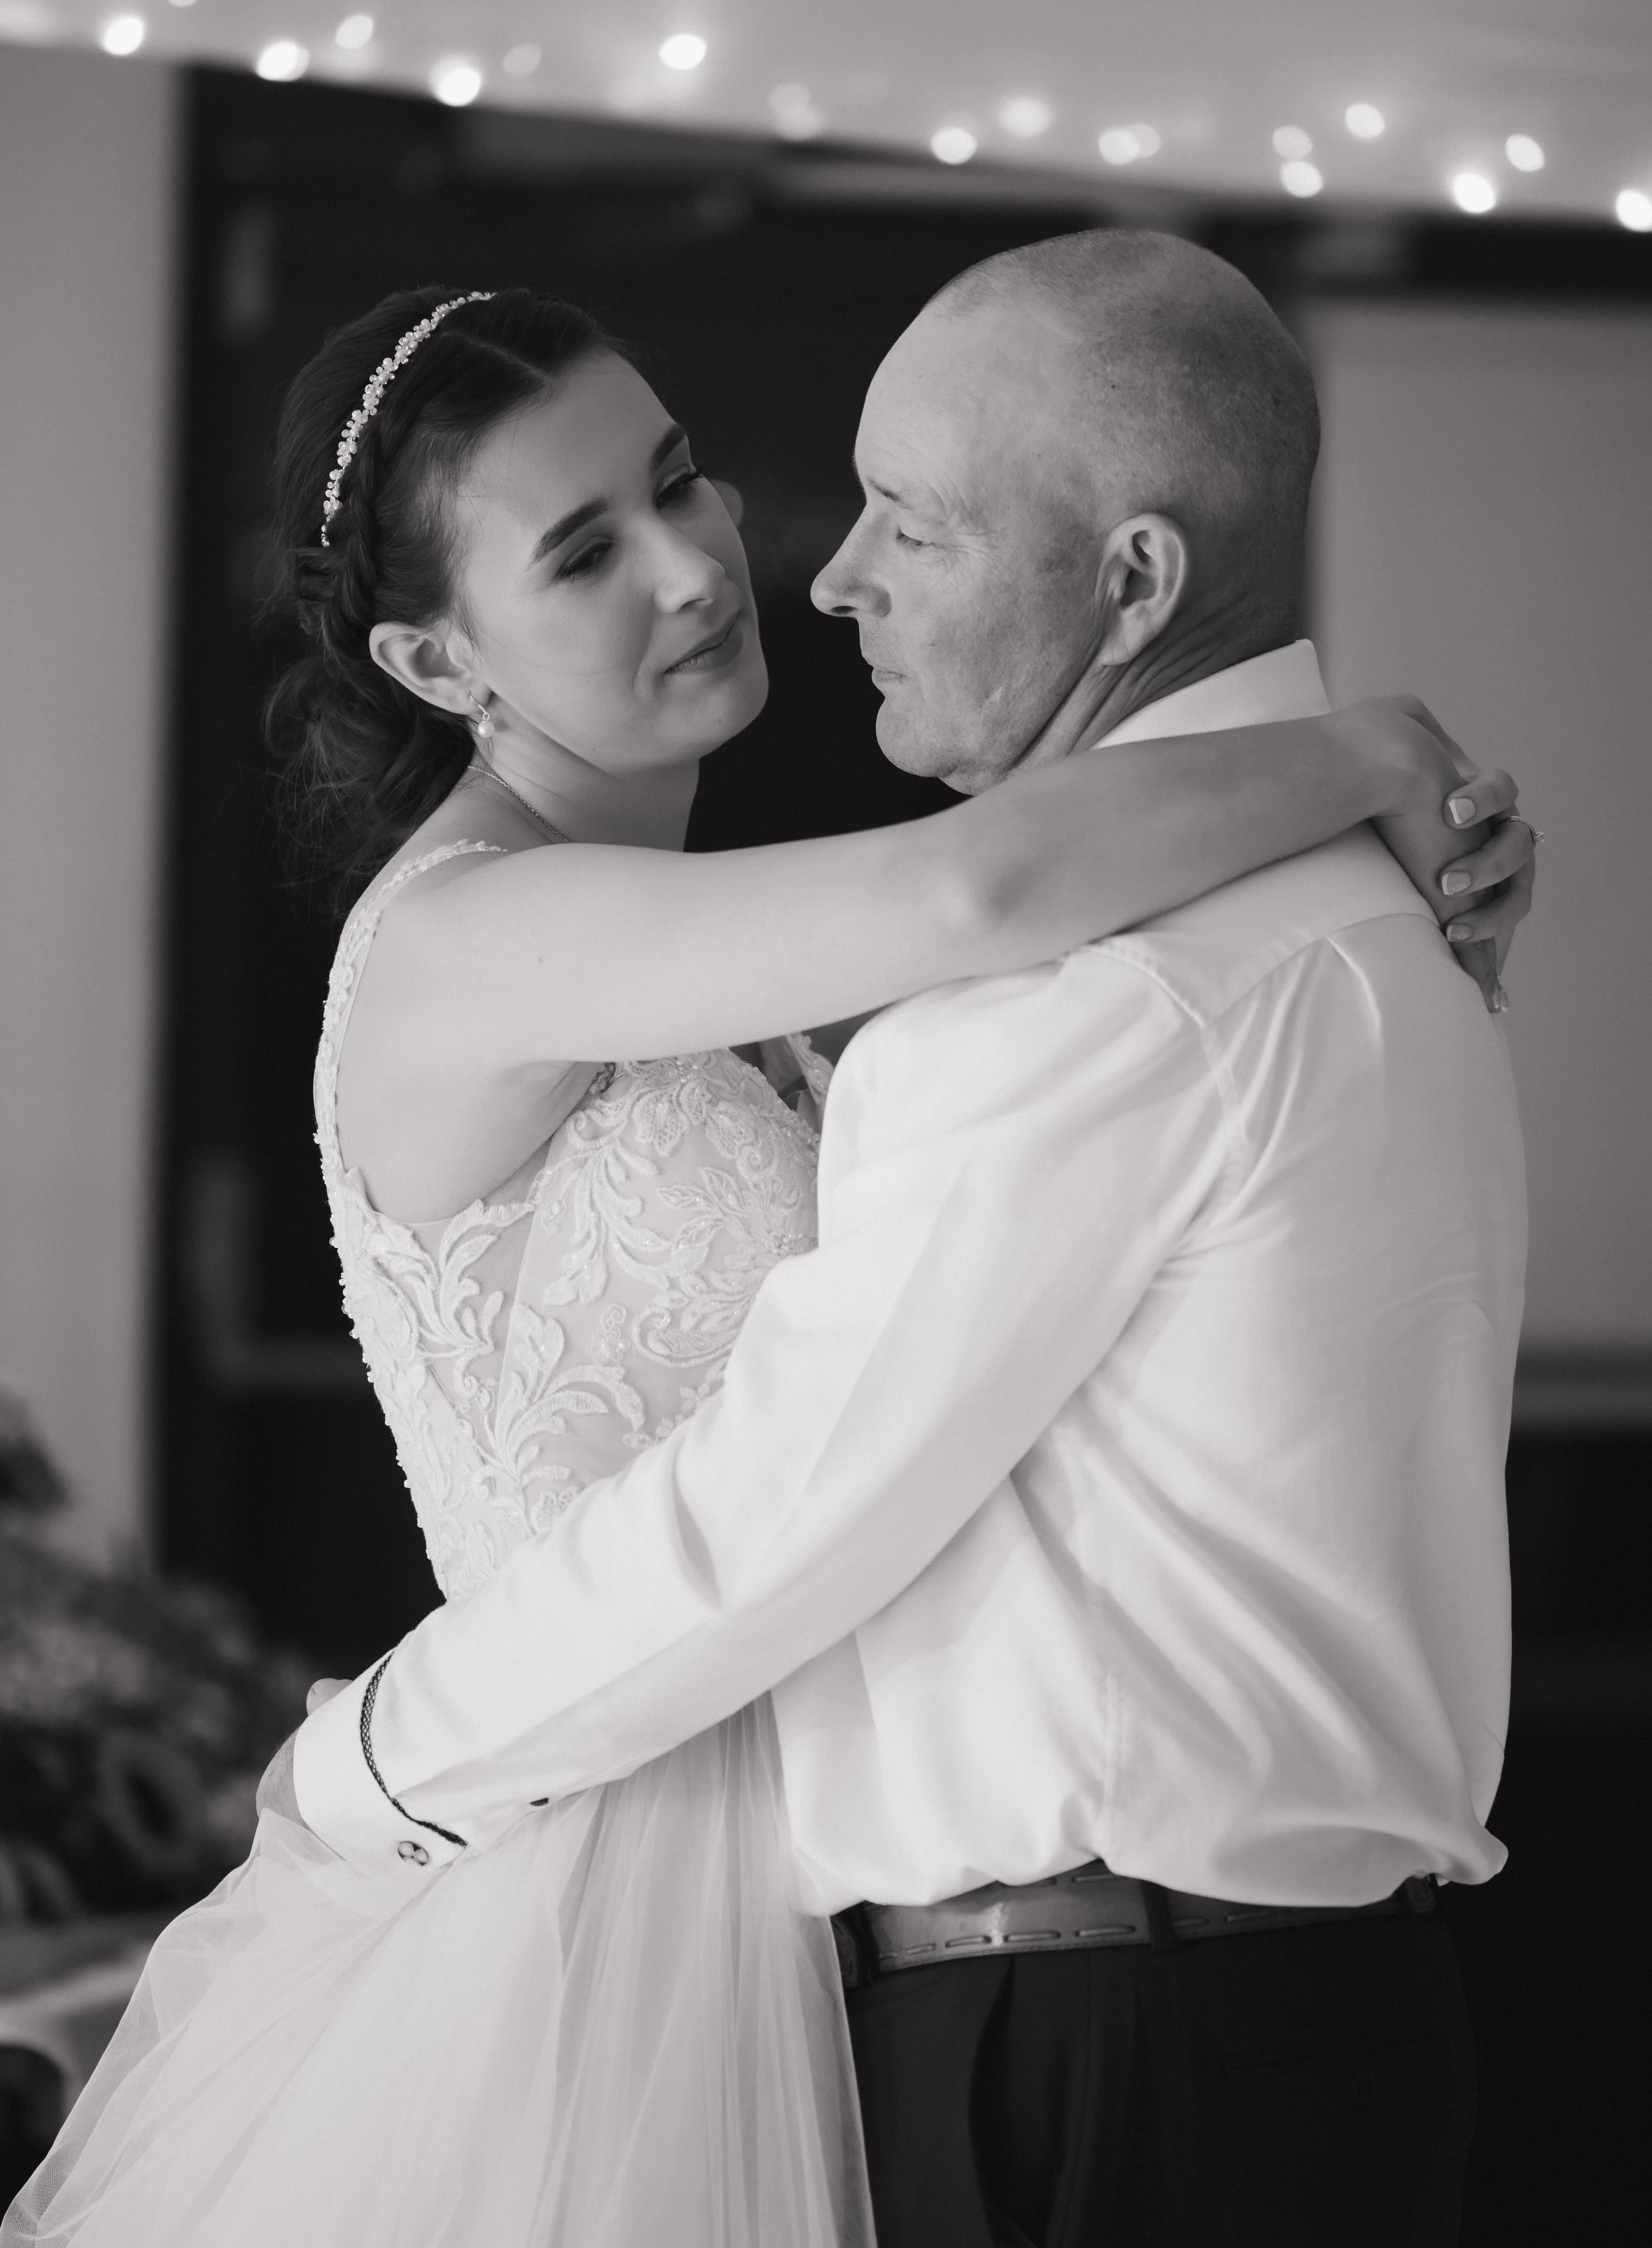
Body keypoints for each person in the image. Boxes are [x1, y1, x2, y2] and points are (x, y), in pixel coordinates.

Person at [5, 260, 1530, 2247]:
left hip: (853, 1920)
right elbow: (983, 879)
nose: (704, 562)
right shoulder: (476, 934)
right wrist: (1361, 756)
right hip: (610, 1895)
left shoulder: (755, 954)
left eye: (679, 475)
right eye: (581, 548)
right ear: (441, 660)